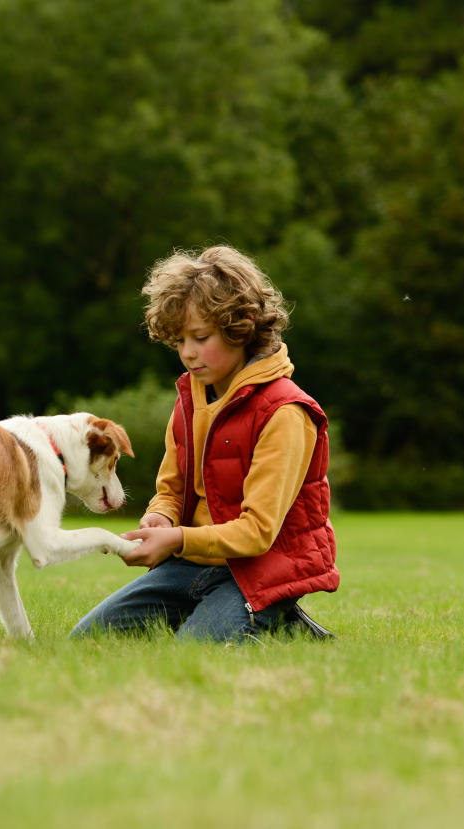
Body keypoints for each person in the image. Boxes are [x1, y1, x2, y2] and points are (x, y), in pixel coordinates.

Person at [70, 245, 339, 642]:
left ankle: (285, 624)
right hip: (191, 563)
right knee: (91, 639)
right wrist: (160, 518)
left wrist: (175, 538)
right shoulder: (190, 397)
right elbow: (171, 489)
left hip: (260, 568)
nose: (188, 354)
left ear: (241, 325)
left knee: (194, 648)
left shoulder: (286, 412)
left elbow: (257, 533)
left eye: (200, 337)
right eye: (179, 341)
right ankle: (219, 613)